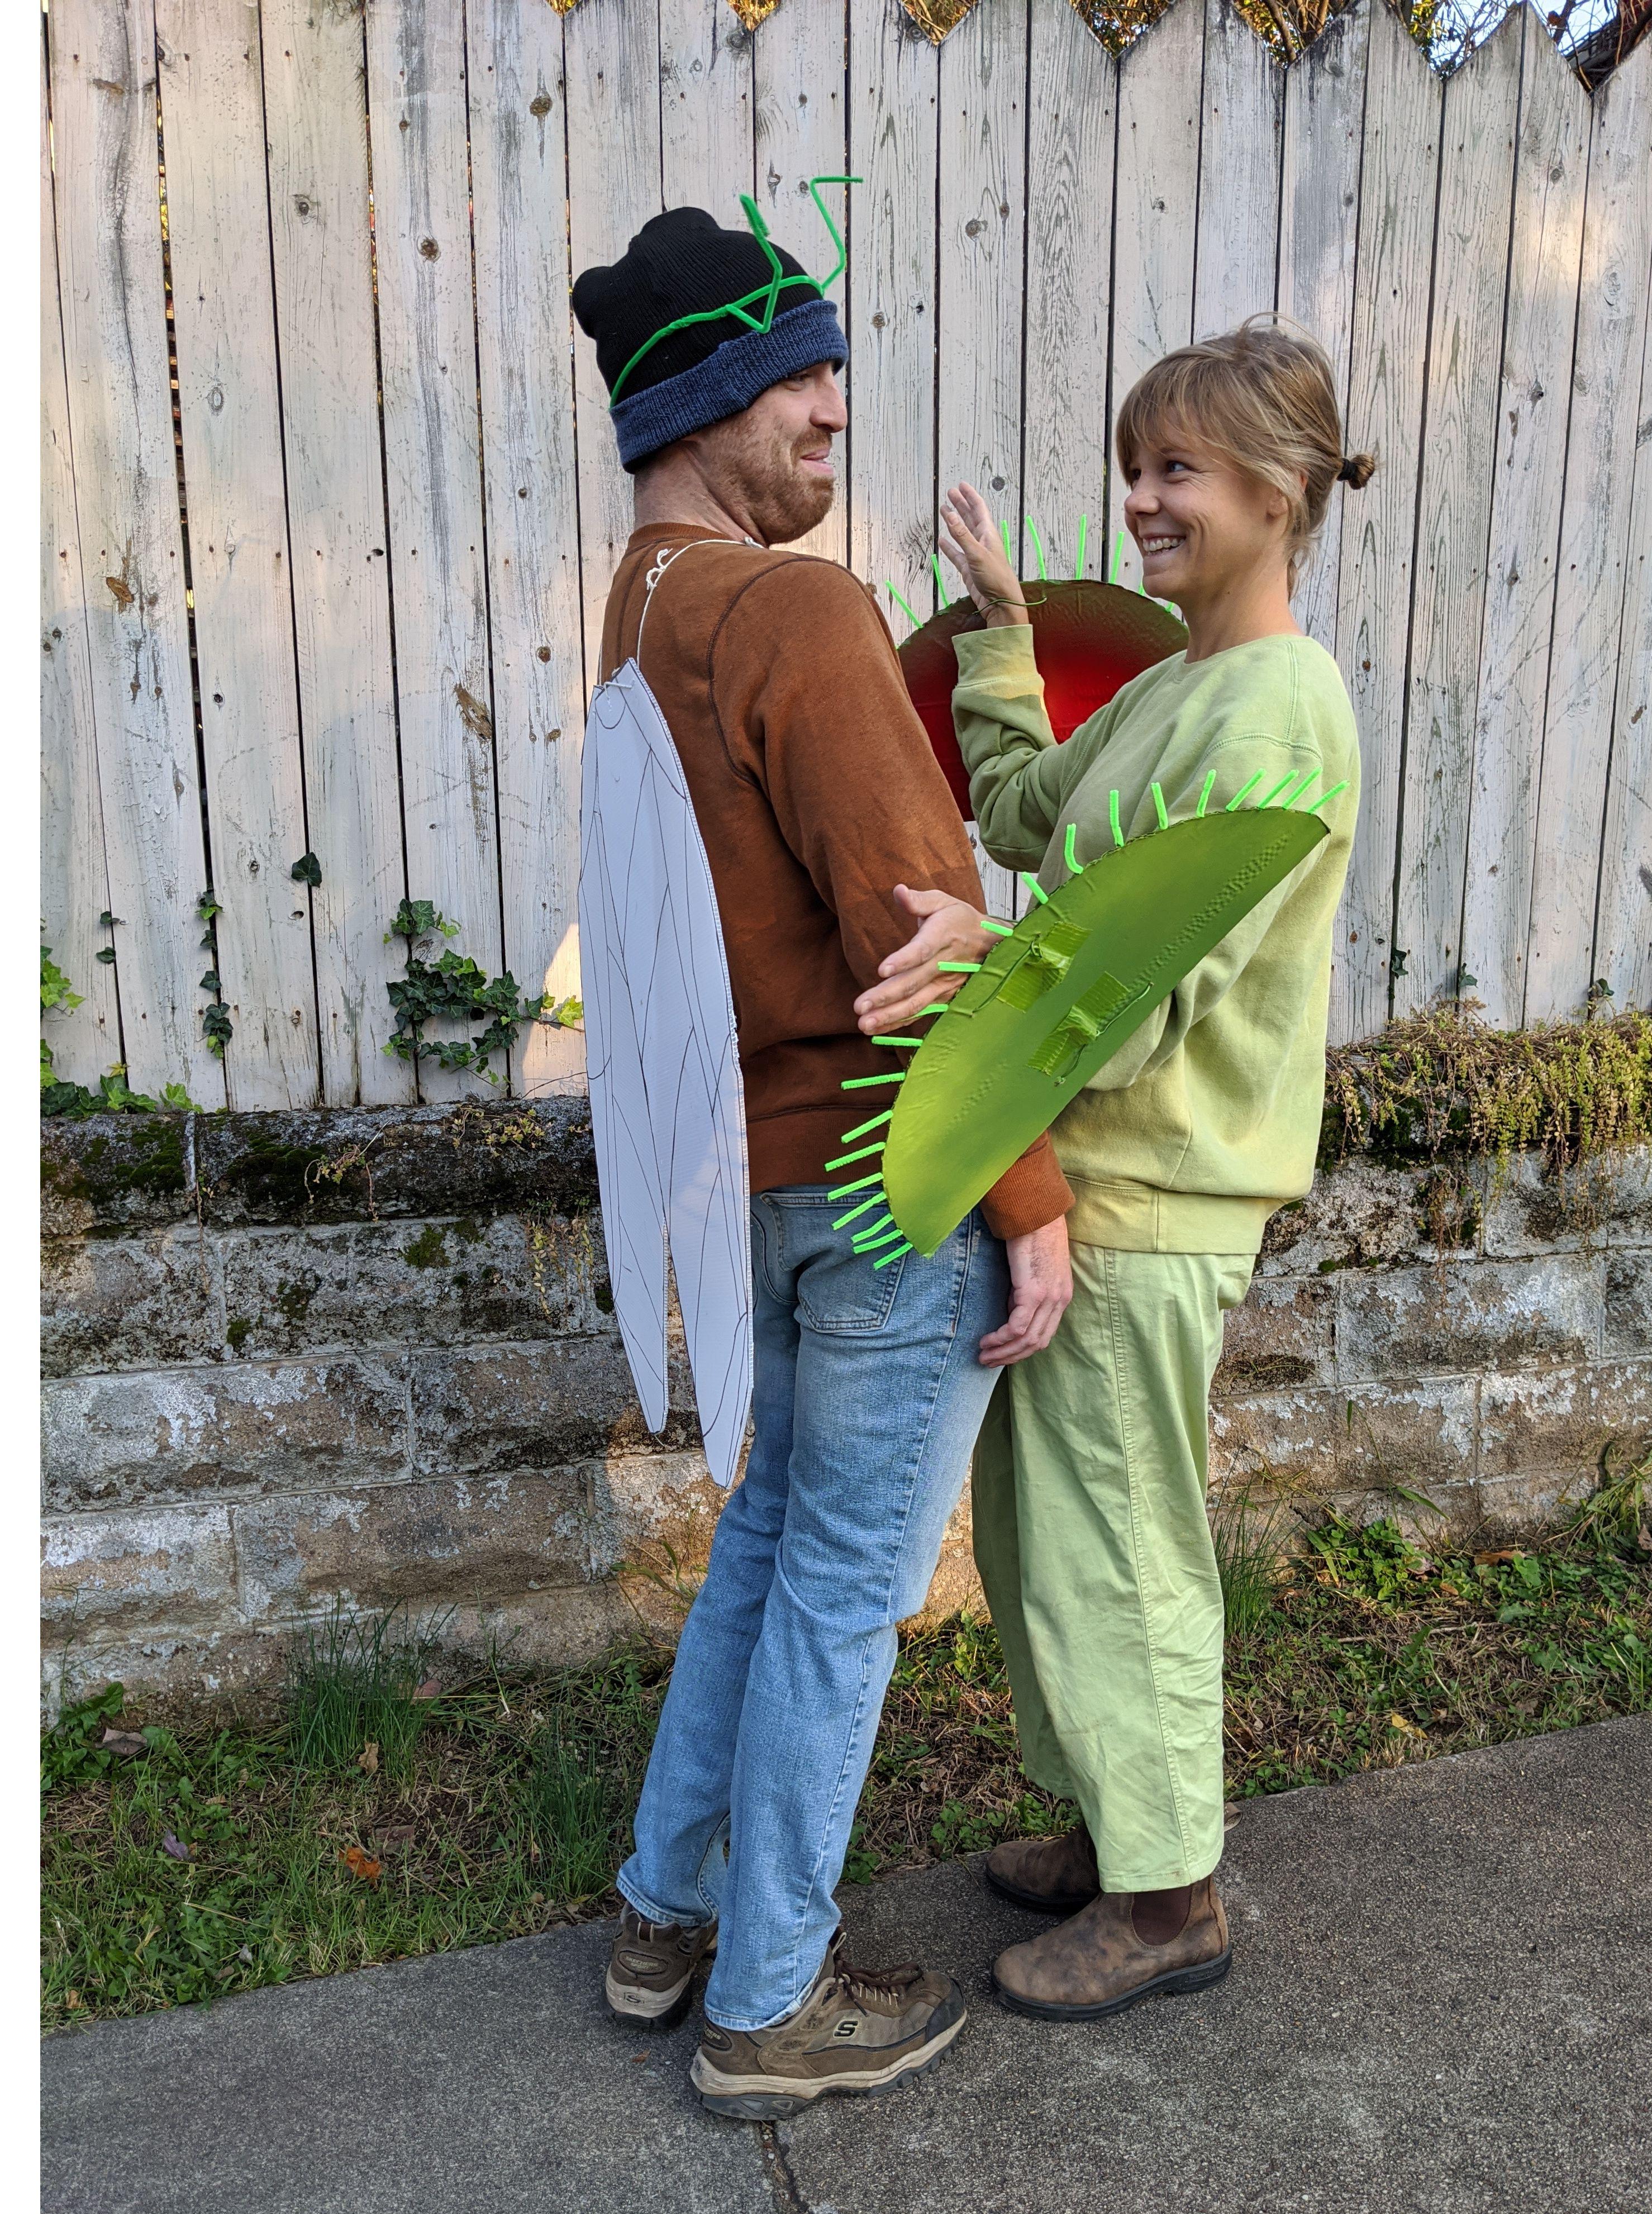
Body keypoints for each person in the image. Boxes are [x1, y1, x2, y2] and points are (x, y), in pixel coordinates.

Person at [572, 205, 1076, 2117]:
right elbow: (925, 931)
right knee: (846, 1585)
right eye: (798, 378)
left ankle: (667, 1915)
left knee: (771, 1543)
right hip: (889, 1181)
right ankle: (769, 2002)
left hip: (756, 1187)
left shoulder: (636, 621)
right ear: (701, 403)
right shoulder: (787, 610)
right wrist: (1030, 1201)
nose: (834, 411)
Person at [889, 317, 1369, 2021]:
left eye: (1178, 470)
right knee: (1045, 1534)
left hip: (1157, 1186)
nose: (1143, 500)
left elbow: (1156, 977)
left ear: (1278, 491)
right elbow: (1028, 820)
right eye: (1135, 467)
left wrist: (993, 968)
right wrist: (1004, 635)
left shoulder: (1281, 707)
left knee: (1120, 1537)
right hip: (1090, 1171)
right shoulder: (1175, 684)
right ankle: (1116, 1821)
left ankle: (1169, 1900)